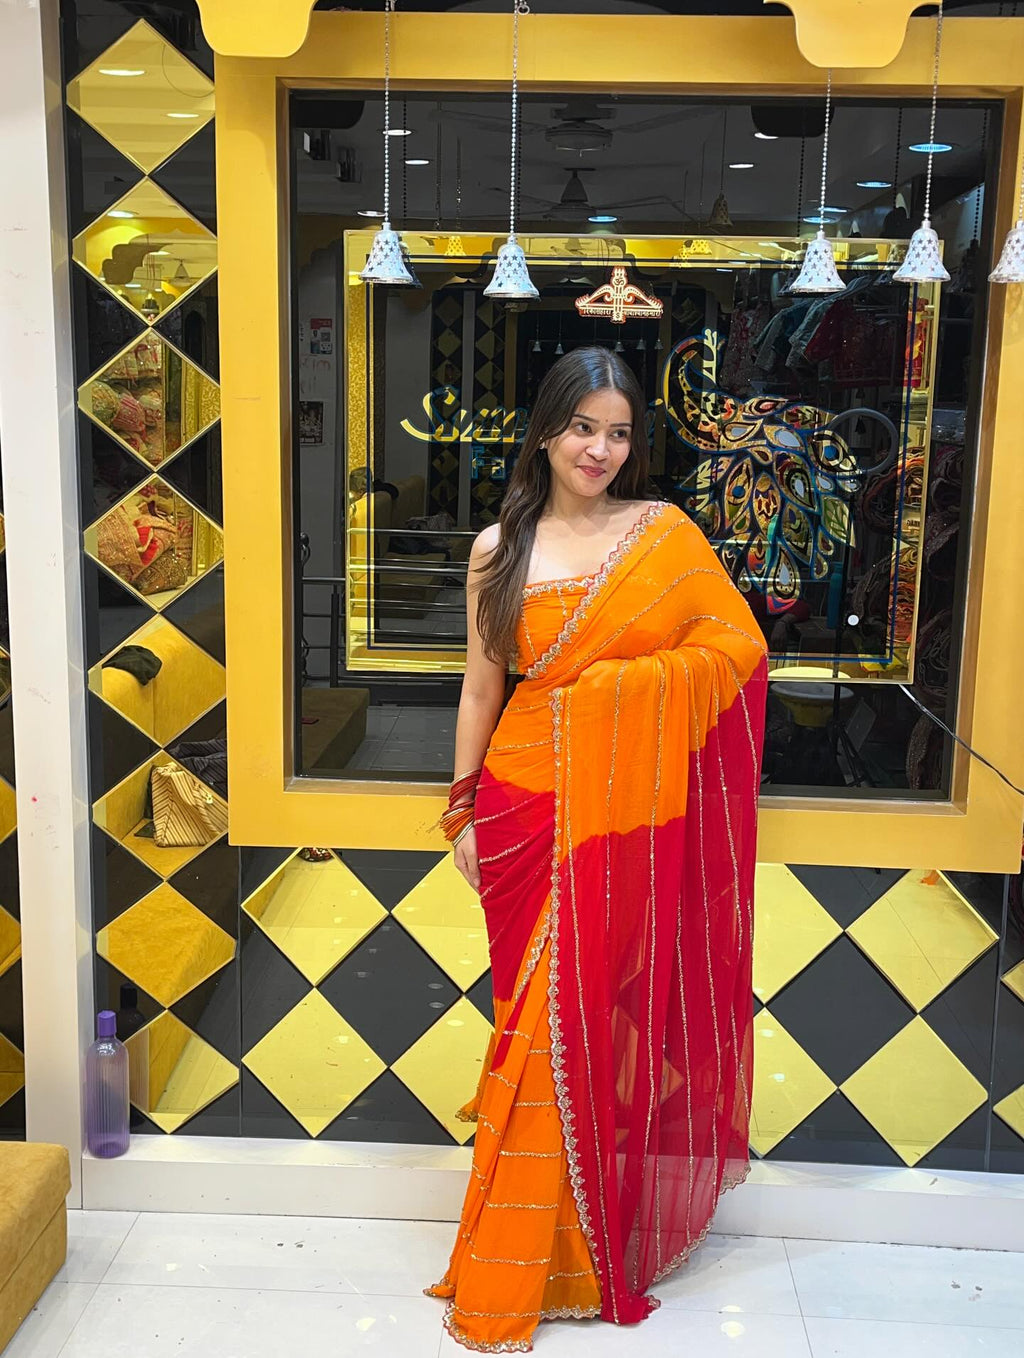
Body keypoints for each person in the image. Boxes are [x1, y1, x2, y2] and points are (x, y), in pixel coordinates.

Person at [425, 345, 769, 1352]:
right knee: (529, 1024)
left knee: (591, 1019)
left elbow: (736, 647)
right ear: (545, 429)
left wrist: (615, 696)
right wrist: (462, 810)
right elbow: (482, 688)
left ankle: (572, 1243)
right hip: (525, 802)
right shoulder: (499, 547)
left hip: (622, 812)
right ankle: (534, 1248)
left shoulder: (660, 533)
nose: (600, 450)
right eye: (583, 427)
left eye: (618, 433)